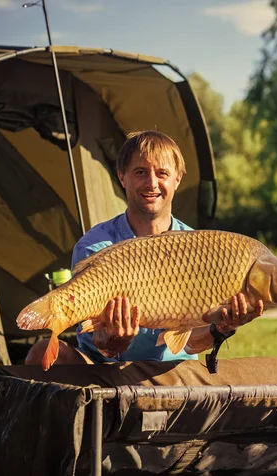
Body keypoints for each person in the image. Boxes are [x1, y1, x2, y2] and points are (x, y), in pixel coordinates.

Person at [25, 130, 263, 366]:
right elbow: (100, 343)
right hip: (102, 367)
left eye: (162, 173)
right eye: (140, 172)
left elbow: (191, 344)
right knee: (41, 352)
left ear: (177, 179)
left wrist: (224, 326)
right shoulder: (95, 245)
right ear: (122, 177)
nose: (151, 183)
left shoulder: (200, 248)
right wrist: (115, 341)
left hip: (172, 369)